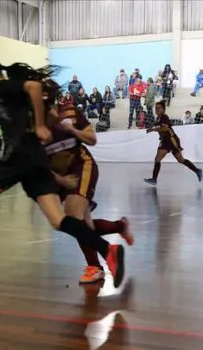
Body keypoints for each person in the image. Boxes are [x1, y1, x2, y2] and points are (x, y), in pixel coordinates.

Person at [0, 56, 126, 289]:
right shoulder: (16, 95)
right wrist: (43, 123)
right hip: (35, 160)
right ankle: (108, 250)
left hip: (17, 156)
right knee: (58, 220)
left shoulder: (2, 86)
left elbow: (35, 86)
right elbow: (49, 114)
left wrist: (39, 125)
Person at [47, 104, 134, 284]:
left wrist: (72, 130)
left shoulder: (69, 112)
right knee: (81, 226)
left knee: (73, 217)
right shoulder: (33, 125)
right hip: (61, 176)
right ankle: (118, 226)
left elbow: (92, 139)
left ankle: (95, 267)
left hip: (82, 167)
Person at [144, 101, 202, 185]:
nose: (157, 109)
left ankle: (197, 170)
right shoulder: (159, 118)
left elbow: (165, 129)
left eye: (159, 108)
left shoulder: (164, 117)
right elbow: (160, 128)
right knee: (158, 159)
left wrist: (153, 129)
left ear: (164, 109)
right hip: (165, 141)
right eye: (156, 108)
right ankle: (154, 179)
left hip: (172, 140)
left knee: (180, 160)